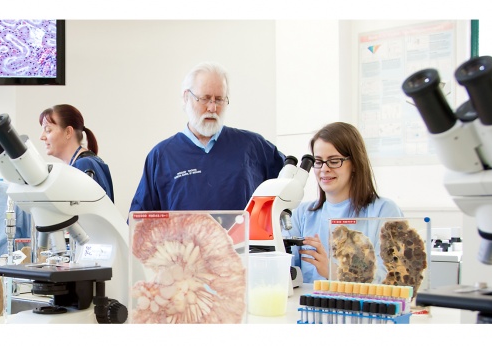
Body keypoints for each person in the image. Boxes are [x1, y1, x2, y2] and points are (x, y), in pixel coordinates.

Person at [130, 62, 286, 212]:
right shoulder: (162, 156)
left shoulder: (252, 147)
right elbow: (140, 222)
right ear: (186, 97)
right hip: (183, 241)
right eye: (205, 98)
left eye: (219, 99)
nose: (212, 108)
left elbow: (289, 183)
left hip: (240, 240)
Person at [292, 122, 403, 283]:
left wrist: (334, 272)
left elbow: (392, 278)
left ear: (355, 164)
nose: (324, 169)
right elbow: (283, 266)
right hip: (308, 306)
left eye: (334, 160)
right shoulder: (303, 213)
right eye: (318, 161)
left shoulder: (384, 211)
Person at [39, 104, 115, 201]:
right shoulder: (87, 162)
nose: (42, 137)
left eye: (48, 130)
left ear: (68, 132)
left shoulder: (84, 165)